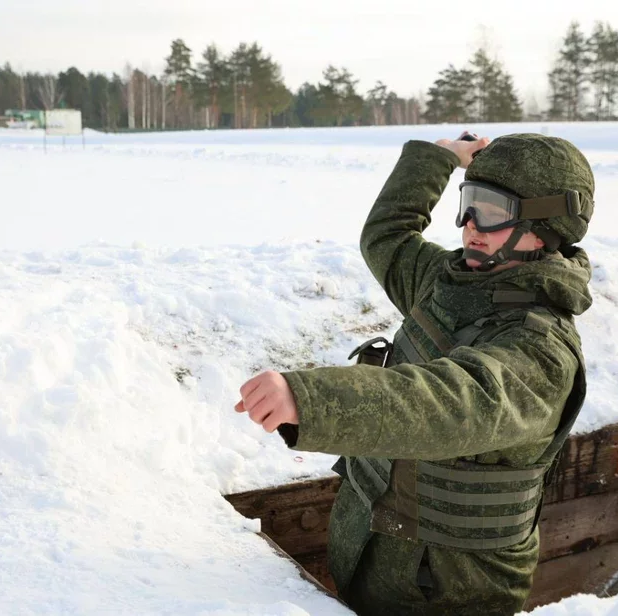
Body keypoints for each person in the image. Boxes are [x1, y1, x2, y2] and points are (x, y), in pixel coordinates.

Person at [235, 132, 594, 615]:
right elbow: (388, 234)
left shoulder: (541, 348)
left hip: (447, 592)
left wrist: (311, 398)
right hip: (368, 551)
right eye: (468, 204)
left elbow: (445, 402)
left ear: (543, 228)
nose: (470, 226)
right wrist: (438, 160)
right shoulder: (447, 282)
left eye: (491, 210)